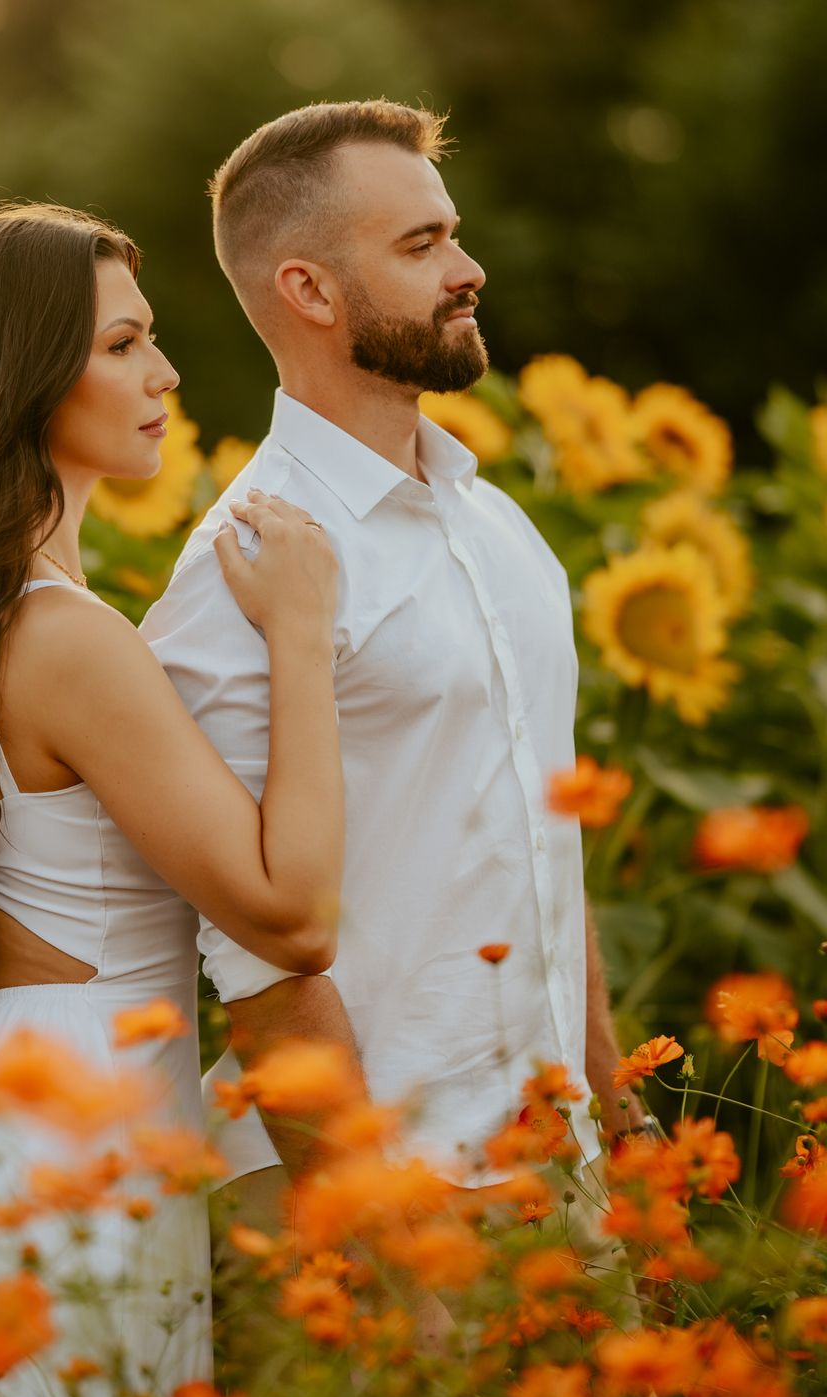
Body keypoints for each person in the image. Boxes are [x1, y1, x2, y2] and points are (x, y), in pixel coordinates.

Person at [0, 203, 342, 1397]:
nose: (164, 374)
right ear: (29, 376)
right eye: (124, 344)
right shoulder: (67, 637)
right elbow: (290, 912)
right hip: (64, 1150)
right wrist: (300, 638)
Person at [140, 102, 647, 1329]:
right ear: (310, 289)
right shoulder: (244, 571)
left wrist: (619, 1122)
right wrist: (377, 1237)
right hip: (385, 1201)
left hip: (559, 1168)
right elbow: (258, 955)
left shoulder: (499, 528)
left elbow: (544, 842)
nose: (470, 270)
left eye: (452, 236)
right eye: (421, 246)